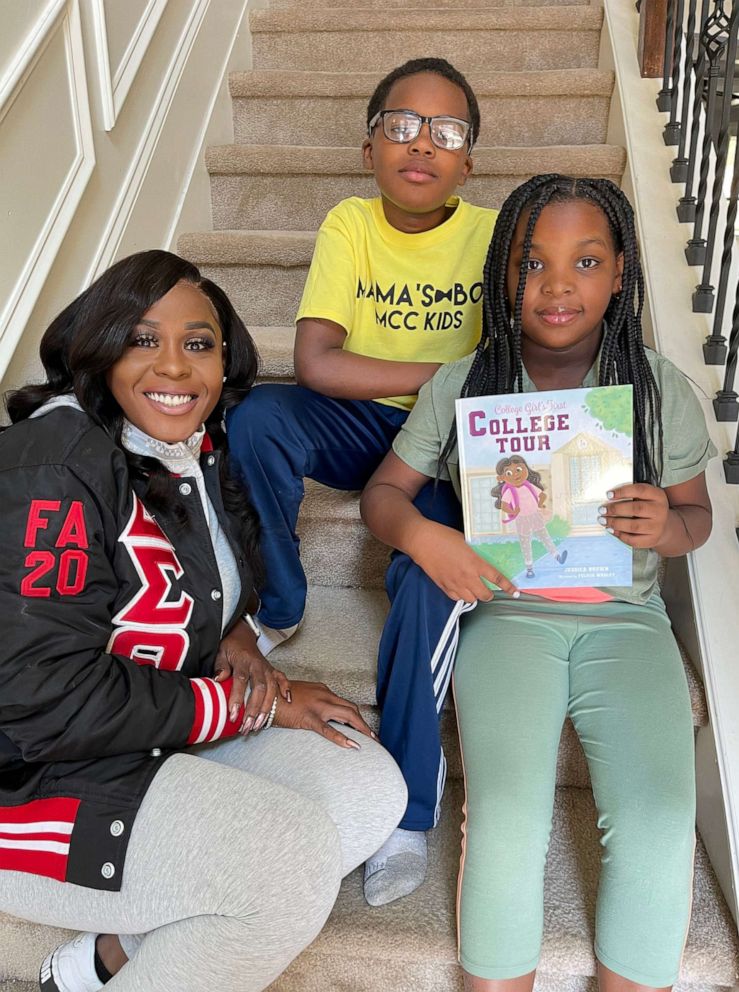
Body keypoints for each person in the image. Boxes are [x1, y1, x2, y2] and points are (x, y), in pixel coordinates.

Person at [0, 250, 406, 992]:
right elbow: (41, 699)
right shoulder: (52, 464)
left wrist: (238, 637)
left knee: (365, 787)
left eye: (198, 343)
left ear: (226, 360)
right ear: (99, 343)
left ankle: (103, 963)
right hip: (33, 777)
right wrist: (252, 704)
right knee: (283, 864)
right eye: (142, 339)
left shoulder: (192, 444)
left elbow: (207, 574)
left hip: (141, 732)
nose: (176, 368)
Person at [361, 175, 715, 991]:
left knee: (661, 819)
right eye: (532, 263)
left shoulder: (658, 390)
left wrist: (663, 521)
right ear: (501, 273)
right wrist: (424, 536)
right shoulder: (463, 384)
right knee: (506, 821)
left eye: (585, 261)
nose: (557, 285)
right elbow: (383, 495)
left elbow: (696, 521)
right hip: (509, 618)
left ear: (621, 272)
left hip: (625, 624)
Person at [226, 57, 497, 905]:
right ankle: (276, 602)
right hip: (366, 424)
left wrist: (450, 398)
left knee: (428, 575)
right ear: (370, 140)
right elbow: (314, 362)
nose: (423, 145)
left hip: (452, 449)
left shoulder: (498, 231)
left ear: (469, 158)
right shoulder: (349, 221)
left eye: (447, 132)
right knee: (258, 416)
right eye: (402, 125)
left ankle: (409, 811)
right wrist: (445, 373)